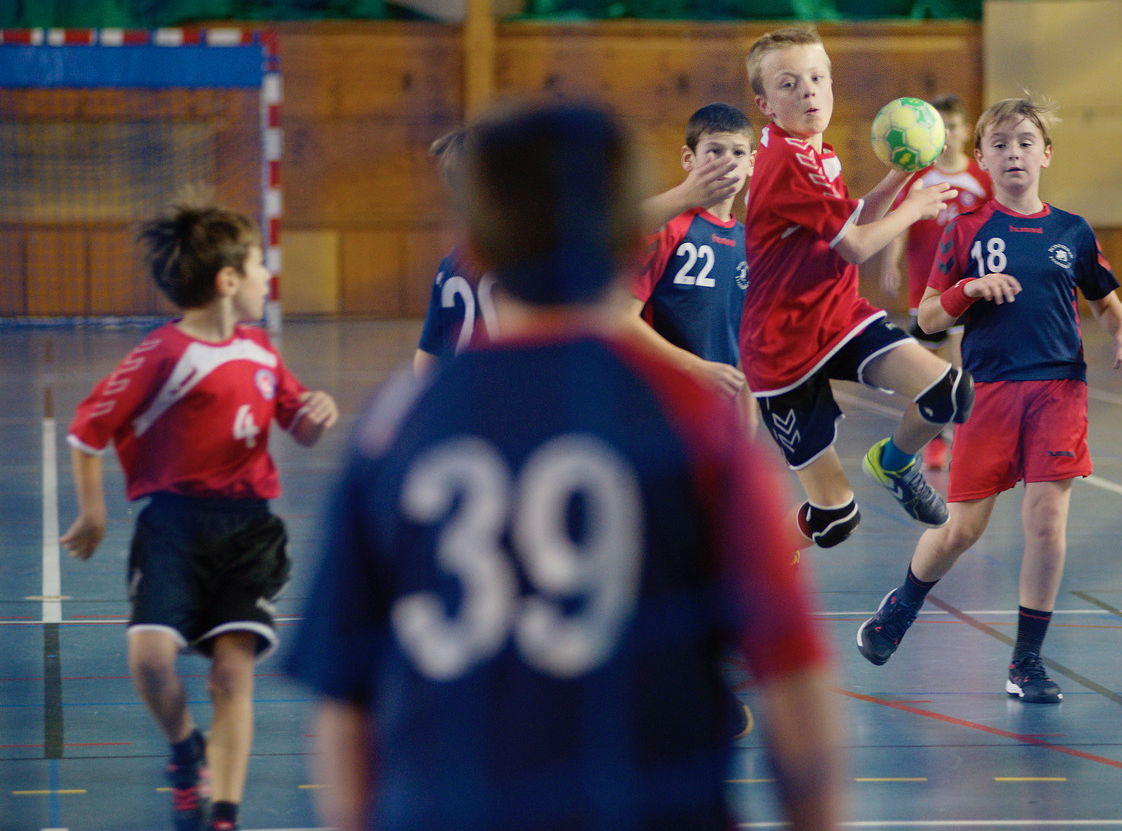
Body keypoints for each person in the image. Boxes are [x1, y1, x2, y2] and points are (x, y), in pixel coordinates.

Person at [285, 99, 841, 831]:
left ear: (474, 242)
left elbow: (344, 700)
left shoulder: (400, 425)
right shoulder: (689, 419)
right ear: (625, 238)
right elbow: (792, 678)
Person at [60, 197, 340, 831]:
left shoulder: (262, 351)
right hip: (173, 530)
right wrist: (94, 514)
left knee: (231, 675)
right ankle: (187, 752)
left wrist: (316, 413)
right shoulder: (162, 355)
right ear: (228, 280)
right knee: (150, 660)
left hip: (248, 532)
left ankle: (224, 816)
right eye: (260, 264)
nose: (269, 275)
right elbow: (86, 429)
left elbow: (297, 426)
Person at [855, 97, 1122, 703]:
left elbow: (1106, 301)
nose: (1014, 153)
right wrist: (968, 289)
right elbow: (927, 318)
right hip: (989, 391)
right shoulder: (964, 230)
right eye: (1001, 144)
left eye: (1025, 142)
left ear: (1046, 154)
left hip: (1059, 389)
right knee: (961, 530)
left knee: (1047, 522)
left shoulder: (1071, 231)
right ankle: (900, 606)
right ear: (981, 159)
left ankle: (1026, 662)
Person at [741, 25, 968, 553]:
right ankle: (755, 563)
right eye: (789, 84)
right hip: (782, 348)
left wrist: (899, 177)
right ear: (765, 104)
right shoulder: (787, 163)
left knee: (949, 391)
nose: (808, 91)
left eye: (817, 78)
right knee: (835, 517)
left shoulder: (815, 153)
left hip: (838, 318)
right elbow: (858, 247)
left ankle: (895, 461)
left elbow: (851, 221)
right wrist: (915, 207)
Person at [414, 126, 743, 377]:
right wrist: (686, 194)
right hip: (512, 393)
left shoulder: (452, 263)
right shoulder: (527, 251)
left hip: (464, 396)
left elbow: (425, 360)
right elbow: (614, 227)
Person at [878, 94, 993, 470]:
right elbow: (901, 224)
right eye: (941, 128)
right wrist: (891, 262)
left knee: (960, 362)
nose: (949, 134)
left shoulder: (981, 179)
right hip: (925, 288)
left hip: (967, 285)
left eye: (954, 126)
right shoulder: (921, 179)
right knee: (931, 369)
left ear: (967, 132)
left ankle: (963, 436)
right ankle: (936, 439)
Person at [627, 102, 757, 432]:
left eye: (738, 153)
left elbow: (744, 348)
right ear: (689, 159)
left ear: (752, 164)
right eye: (714, 151)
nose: (728, 162)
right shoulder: (665, 228)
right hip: (660, 407)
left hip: (716, 419)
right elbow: (623, 320)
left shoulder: (752, 244)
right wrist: (694, 369)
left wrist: (747, 425)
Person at [413, 128, 497, 377]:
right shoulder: (520, 261)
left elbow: (426, 358)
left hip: (461, 390)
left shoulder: (450, 263)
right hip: (503, 388)